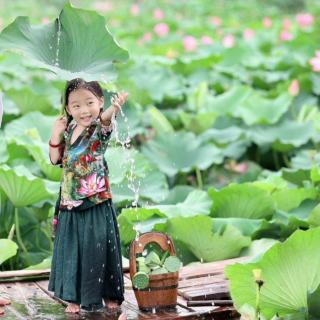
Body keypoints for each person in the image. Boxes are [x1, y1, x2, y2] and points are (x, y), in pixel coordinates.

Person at [48, 78, 128, 315]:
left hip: (95, 199)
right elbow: (55, 159)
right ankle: (74, 297)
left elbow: (105, 120)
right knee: (73, 249)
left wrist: (114, 108)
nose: (84, 110)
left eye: (89, 102)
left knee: (97, 246)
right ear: (68, 108)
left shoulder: (99, 128)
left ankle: (108, 293)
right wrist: (55, 133)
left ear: (100, 102)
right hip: (69, 200)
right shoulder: (70, 127)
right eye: (76, 105)